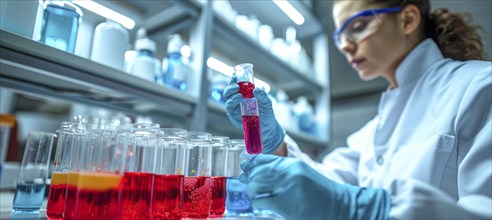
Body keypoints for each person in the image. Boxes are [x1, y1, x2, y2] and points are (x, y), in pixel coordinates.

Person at [223, 0, 491, 219]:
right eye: (340, 36)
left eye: (358, 27)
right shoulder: (373, 131)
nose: (346, 46)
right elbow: (324, 184)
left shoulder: (479, 86)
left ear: (407, 19)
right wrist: (276, 143)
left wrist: (372, 211)